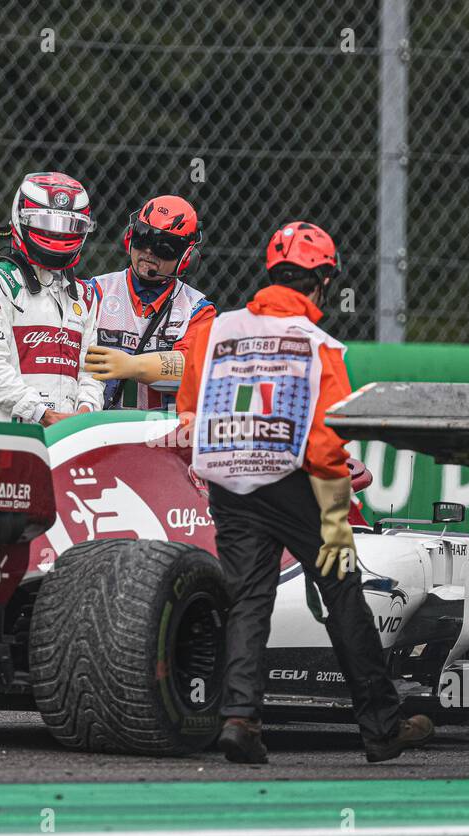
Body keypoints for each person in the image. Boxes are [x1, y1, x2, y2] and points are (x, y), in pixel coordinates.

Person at [176, 221, 435, 764]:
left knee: (248, 599)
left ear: (272, 274)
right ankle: (381, 727)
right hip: (295, 482)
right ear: (319, 282)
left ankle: (240, 719)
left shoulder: (215, 330)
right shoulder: (320, 346)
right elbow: (325, 441)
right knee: (342, 594)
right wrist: (337, 517)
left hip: (226, 476)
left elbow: (189, 406)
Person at [0, 171, 104, 425]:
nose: (58, 235)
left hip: (71, 435)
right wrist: (41, 414)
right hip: (15, 437)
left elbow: (91, 371)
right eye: (46, 223)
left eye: (68, 226)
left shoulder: (85, 295)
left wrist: (86, 412)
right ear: (21, 220)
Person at [82, 196, 216, 409]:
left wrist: (131, 366)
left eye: (165, 246)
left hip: (162, 433)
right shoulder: (94, 292)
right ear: (129, 236)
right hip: (98, 426)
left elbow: (191, 367)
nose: (149, 252)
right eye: (142, 238)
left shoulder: (197, 310)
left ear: (186, 256)